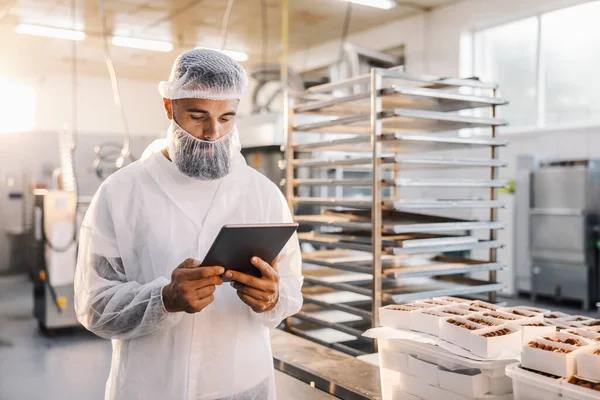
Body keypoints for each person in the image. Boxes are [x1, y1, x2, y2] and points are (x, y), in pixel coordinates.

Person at [74, 48, 303, 400]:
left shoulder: (263, 194)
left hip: (241, 385)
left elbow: (291, 288)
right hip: (152, 387)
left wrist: (273, 297)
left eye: (227, 117)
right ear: (169, 107)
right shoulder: (122, 193)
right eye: (198, 116)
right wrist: (163, 298)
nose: (213, 132)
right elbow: (94, 305)